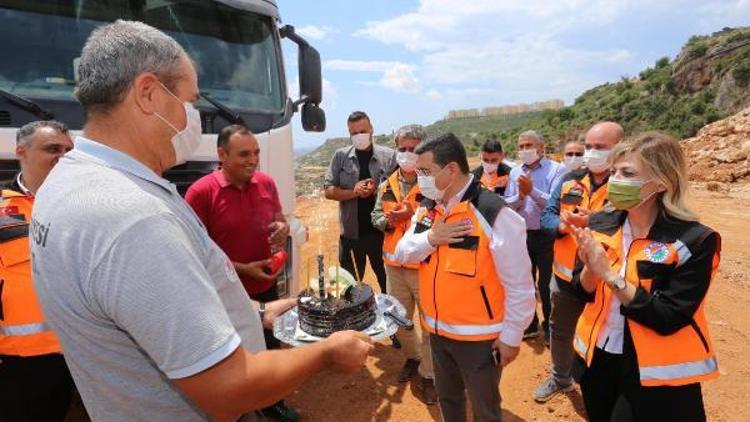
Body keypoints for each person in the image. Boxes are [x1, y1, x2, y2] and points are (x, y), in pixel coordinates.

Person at [29, 20, 372, 421]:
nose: (194, 117)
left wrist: (258, 314)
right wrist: (328, 353)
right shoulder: (133, 219)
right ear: (148, 95)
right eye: (191, 102)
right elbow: (229, 387)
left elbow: (150, 311)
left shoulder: (66, 180)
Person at [572, 132, 720, 422]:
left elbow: (668, 316)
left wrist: (610, 276)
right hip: (597, 359)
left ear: (662, 182)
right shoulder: (602, 222)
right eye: (614, 171)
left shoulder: (694, 241)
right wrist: (591, 267)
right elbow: (581, 291)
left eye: (627, 173)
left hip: (655, 374)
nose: (615, 180)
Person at [394, 132, 536, 422]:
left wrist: (510, 337)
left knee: (485, 410)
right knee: (449, 402)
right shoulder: (429, 208)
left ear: (451, 170)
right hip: (436, 333)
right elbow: (402, 253)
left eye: (425, 171)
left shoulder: (493, 213)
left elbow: (520, 286)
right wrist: (431, 239)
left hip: (479, 341)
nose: (419, 177)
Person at [185, 124, 298, 421]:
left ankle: (273, 401)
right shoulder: (201, 193)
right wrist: (243, 269)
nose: (253, 160)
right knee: (229, 356)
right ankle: (241, 410)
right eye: (244, 154)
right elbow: (193, 251)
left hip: (266, 286)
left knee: (269, 348)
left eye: (256, 153)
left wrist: (281, 227)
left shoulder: (266, 183)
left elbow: (278, 218)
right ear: (221, 154)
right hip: (223, 294)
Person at [533, 122, 623, 402]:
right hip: (564, 276)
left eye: (601, 147)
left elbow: (630, 222)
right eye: (589, 146)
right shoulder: (570, 180)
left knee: (606, 334)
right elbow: (546, 215)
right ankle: (561, 378)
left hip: (605, 279)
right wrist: (561, 226)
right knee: (560, 329)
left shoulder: (625, 185)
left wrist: (591, 221)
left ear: (619, 149)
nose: (592, 152)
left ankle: (603, 387)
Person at [0, 121, 74, 421]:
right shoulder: (3, 207)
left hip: (76, 355)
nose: (62, 156)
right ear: (22, 152)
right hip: (16, 361)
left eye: (68, 150)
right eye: (52, 149)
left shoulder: (82, 207)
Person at [370, 124, 436, 404]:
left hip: (424, 266)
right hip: (393, 266)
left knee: (430, 323)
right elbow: (375, 216)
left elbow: (445, 215)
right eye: (403, 148)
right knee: (399, 319)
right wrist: (389, 221)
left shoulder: (434, 183)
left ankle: (430, 374)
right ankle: (414, 357)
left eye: (413, 148)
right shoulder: (388, 185)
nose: (408, 154)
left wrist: (416, 214)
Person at [324, 111, 399, 347]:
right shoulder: (340, 157)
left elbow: (402, 190)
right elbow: (328, 190)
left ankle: (396, 330)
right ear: (349, 133)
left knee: (388, 284)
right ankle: (353, 333)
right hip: (352, 236)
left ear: (372, 129)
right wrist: (353, 192)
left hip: (382, 235)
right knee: (349, 287)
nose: (359, 136)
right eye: (354, 133)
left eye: (363, 131)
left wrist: (378, 190)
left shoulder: (389, 157)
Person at [504, 130, 567, 341]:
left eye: (528, 146)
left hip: (547, 235)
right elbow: (508, 203)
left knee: (547, 285)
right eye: (521, 146)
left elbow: (555, 203)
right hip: (522, 235)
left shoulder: (557, 170)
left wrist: (532, 191)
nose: (524, 150)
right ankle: (529, 324)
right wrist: (520, 196)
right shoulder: (514, 173)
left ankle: (549, 327)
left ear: (541, 147)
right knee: (525, 283)